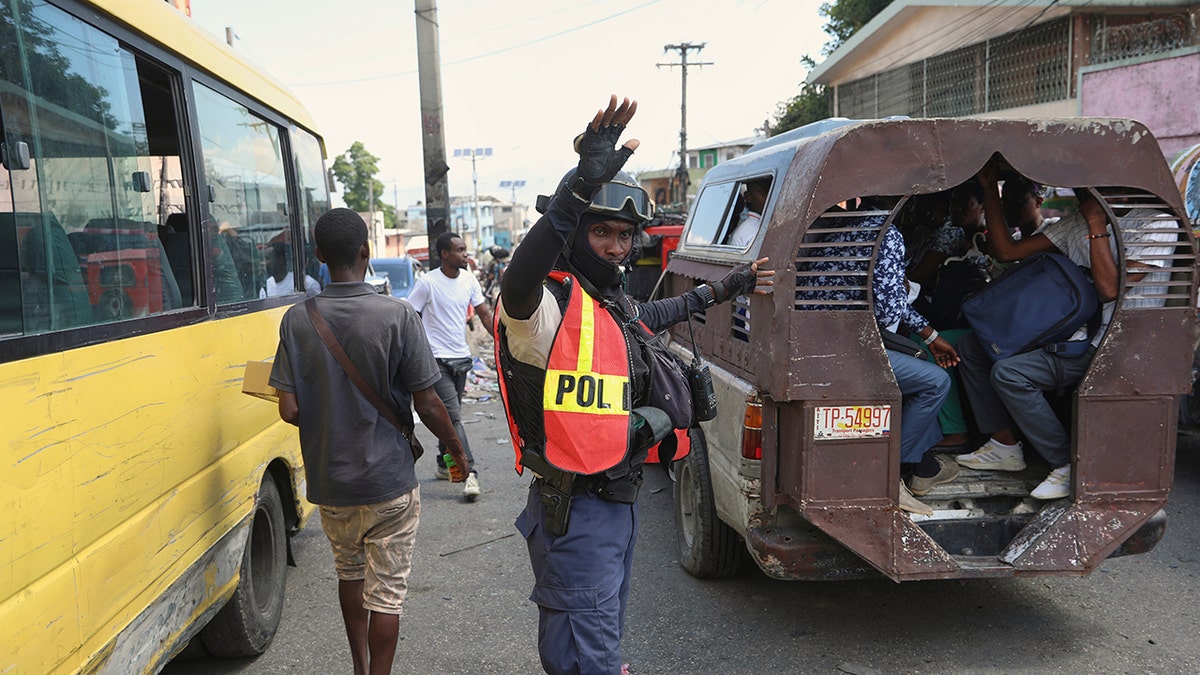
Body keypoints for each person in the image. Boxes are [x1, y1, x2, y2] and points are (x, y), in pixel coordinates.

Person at [496, 96, 773, 674]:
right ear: (574, 234)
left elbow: (656, 316)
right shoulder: (542, 308)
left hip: (616, 502)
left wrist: (730, 286)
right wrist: (576, 189)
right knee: (589, 657)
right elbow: (519, 278)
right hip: (578, 509)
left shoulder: (609, 304)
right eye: (602, 233)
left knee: (593, 649)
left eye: (626, 237)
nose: (618, 249)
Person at [269, 208, 468, 675]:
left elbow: (290, 409)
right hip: (389, 483)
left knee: (350, 575)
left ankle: (359, 668)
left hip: (330, 483)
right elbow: (429, 402)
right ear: (366, 251)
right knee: (388, 592)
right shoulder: (396, 314)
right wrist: (456, 448)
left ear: (319, 255)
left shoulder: (298, 319)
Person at [954, 163, 1176, 499]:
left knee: (1009, 374)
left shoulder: (1156, 224)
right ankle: (1004, 445)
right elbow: (1006, 252)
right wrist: (989, 190)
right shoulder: (1078, 221)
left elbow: (1108, 289)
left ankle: (1064, 463)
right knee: (972, 347)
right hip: (1070, 331)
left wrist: (1097, 224)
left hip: (1113, 346)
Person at [797, 196, 962, 514]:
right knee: (936, 382)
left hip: (814, 340)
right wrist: (918, 317)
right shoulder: (885, 232)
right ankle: (888, 477)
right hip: (853, 347)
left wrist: (928, 334)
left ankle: (924, 469)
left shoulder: (833, 224)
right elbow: (887, 308)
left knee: (917, 369)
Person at [405, 231, 494, 500]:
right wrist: (418, 350)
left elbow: (483, 312)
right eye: (460, 250)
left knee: (448, 416)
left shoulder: (468, 280)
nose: (465, 254)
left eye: (465, 250)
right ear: (445, 254)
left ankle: (445, 463)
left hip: (461, 359)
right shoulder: (428, 283)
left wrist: (502, 342)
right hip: (436, 361)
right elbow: (409, 315)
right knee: (454, 417)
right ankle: (471, 473)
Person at [726, 176, 771, 248]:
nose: (769, 196)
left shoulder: (752, 226)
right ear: (748, 197)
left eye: (771, 191)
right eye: (763, 192)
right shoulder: (754, 230)